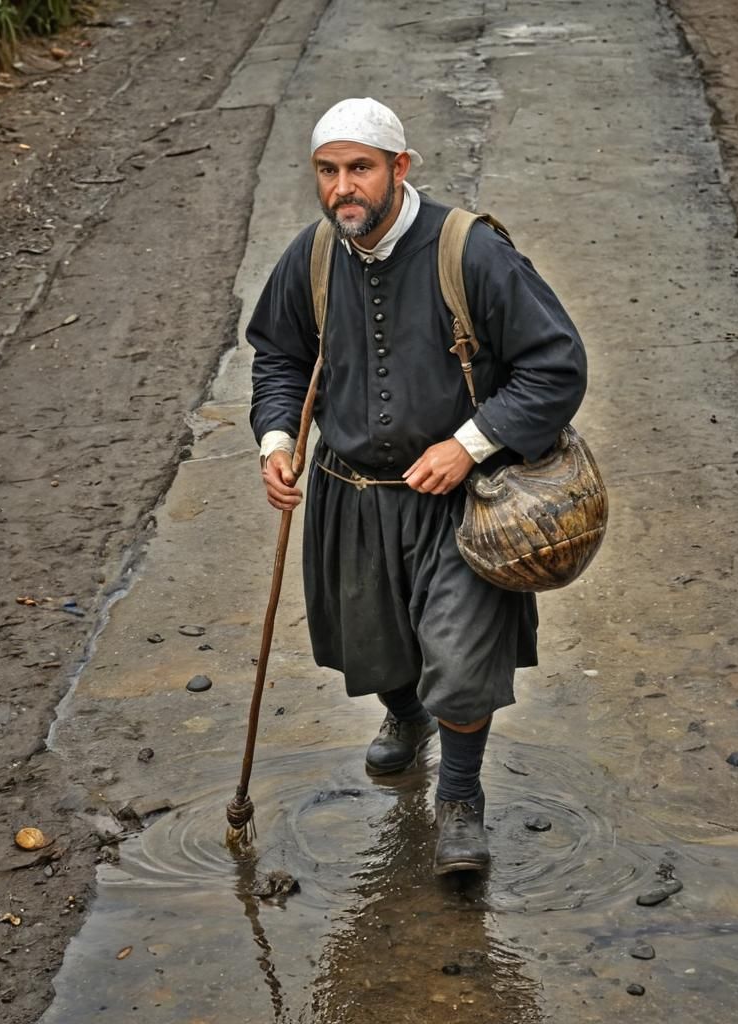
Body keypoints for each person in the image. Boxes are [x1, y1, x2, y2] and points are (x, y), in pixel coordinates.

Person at [247, 97, 586, 874]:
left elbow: (556, 365)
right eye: (327, 172)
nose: (343, 190)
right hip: (349, 494)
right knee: (371, 646)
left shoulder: (471, 253)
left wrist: (470, 445)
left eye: (360, 169)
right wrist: (275, 439)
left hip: (460, 505)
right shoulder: (312, 256)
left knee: (463, 661)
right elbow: (278, 358)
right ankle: (408, 717)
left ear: (400, 168)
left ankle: (460, 801)